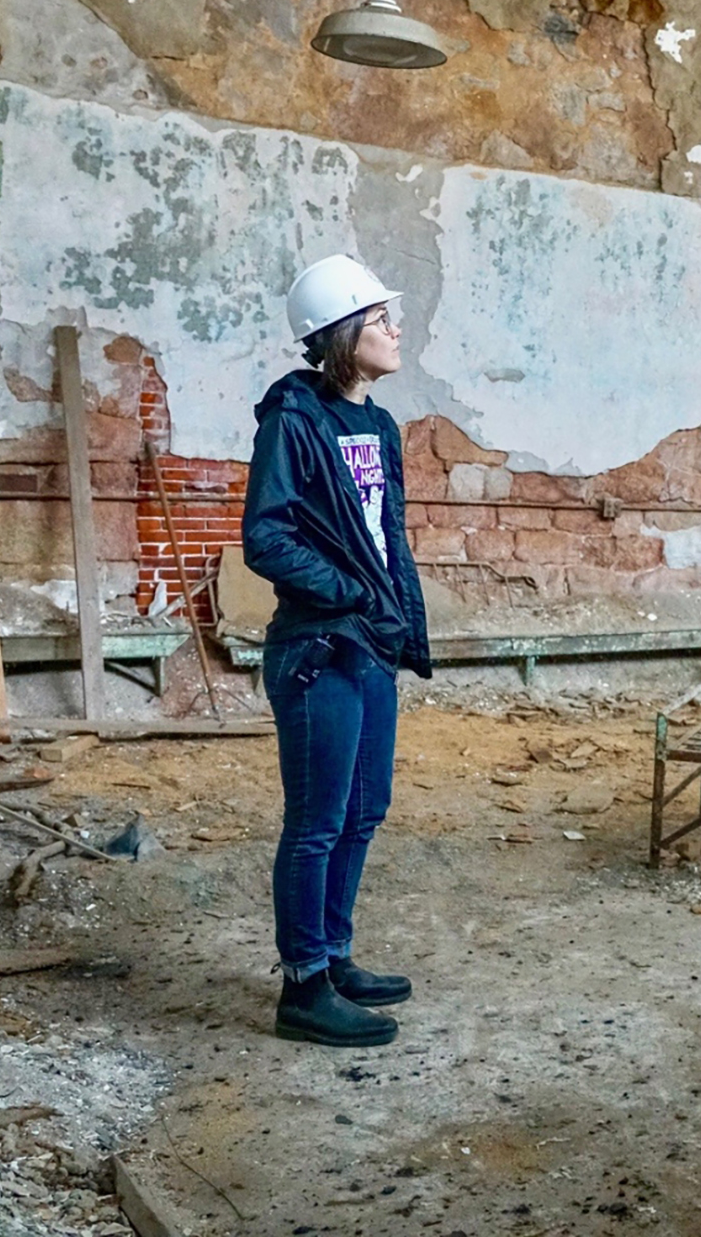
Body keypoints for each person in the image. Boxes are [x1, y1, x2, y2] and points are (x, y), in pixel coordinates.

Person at [242, 253, 432, 1048]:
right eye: (382, 319)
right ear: (343, 334)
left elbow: (386, 537)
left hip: (369, 648)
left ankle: (336, 953)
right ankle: (303, 986)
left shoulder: (378, 426)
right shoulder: (295, 421)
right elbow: (266, 537)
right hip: (318, 648)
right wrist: (349, 594)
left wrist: (395, 616)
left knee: (365, 810)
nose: (396, 328)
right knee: (317, 820)